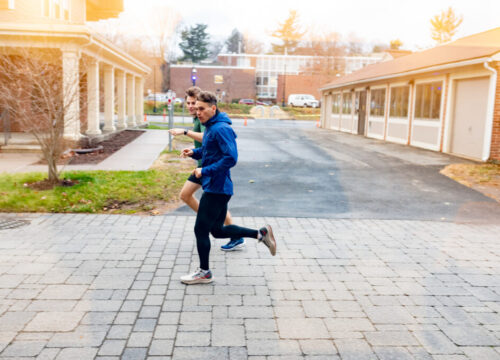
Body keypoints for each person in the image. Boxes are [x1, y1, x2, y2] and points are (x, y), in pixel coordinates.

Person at [180, 91, 276, 285]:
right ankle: (260, 234)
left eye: (201, 108)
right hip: (217, 186)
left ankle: (204, 272)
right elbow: (210, 151)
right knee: (217, 231)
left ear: (213, 108)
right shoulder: (211, 127)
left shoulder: (220, 129)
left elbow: (231, 158)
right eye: (196, 108)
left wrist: (205, 170)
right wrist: (194, 152)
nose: (197, 112)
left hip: (217, 188)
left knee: (200, 230)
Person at [169, 87, 245, 251]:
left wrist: (185, 132)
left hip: (209, 168)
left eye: (195, 105)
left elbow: (211, 140)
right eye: (189, 104)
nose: (192, 108)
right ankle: (225, 229)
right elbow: (208, 145)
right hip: (203, 166)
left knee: (198, 199)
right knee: (192, 197)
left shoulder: (211, 123)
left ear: (210, 108)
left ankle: (222, 228)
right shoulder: (200, 119)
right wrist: (194, 152)